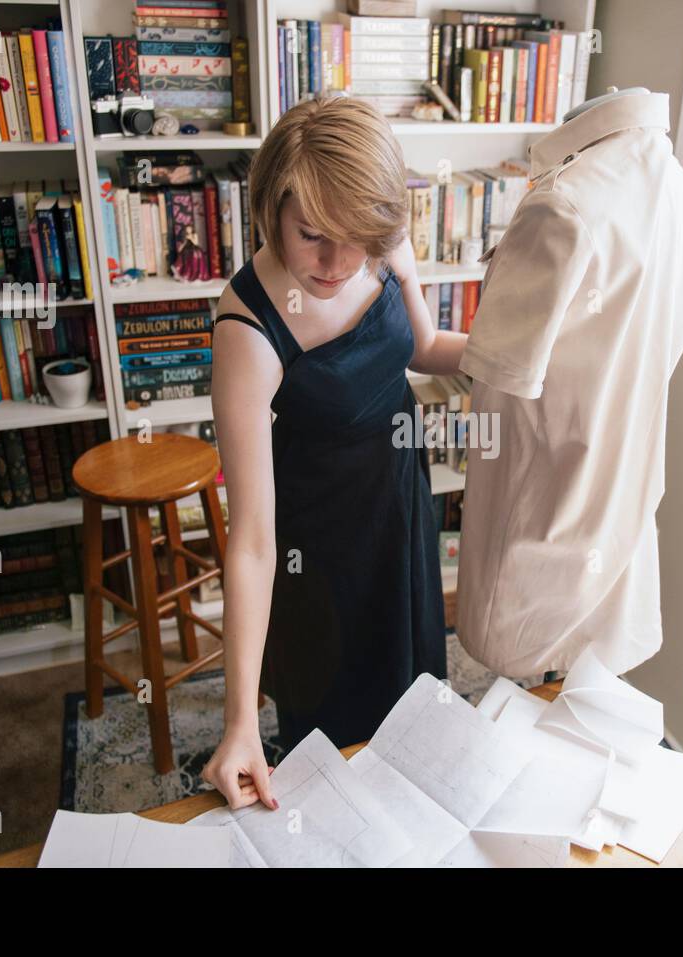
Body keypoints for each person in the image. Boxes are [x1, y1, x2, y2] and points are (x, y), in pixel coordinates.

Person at [200, 95, 466, 810]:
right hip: (317, 547)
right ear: (272, 209)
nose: (338, 261)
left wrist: (532, 356)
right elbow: (253, 543)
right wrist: (238, 723)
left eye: (356, 238)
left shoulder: (378, 241)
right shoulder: (246, 329)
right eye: (312, 233)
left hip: (399, 502)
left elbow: (427, 349)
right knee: (339, 747)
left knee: (415, 701)